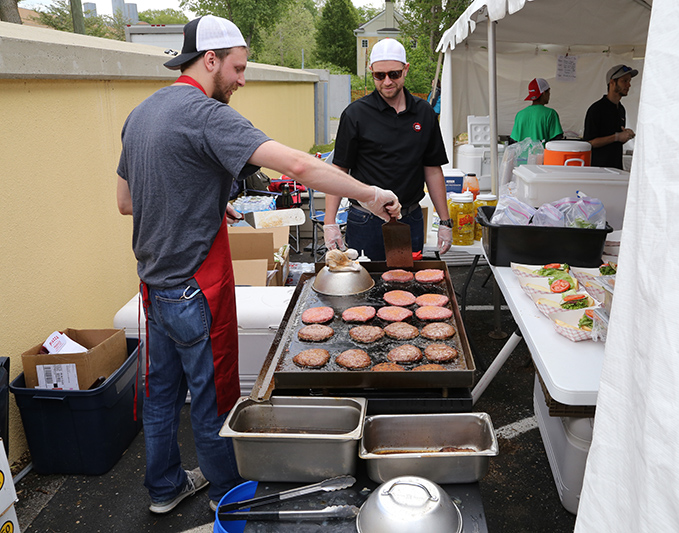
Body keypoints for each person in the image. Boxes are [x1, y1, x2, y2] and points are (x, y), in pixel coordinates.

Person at [116, 15, 400, 515]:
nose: (243, 79)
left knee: (161, 395)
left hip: (153, 287)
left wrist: (203, 202)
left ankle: (163, 489)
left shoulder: (142, 113)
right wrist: (371, 195)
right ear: (210, 60)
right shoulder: (206, 114)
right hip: (194, 290)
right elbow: (296, 165)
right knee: (213, 398)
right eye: (239, 68)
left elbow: (127, 201)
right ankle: (230, 500)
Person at [323, 38, 452, 261]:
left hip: (409, 219)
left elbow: (432, 169)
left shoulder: (424, 113)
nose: (387, 82)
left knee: (408, 287)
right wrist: (329, 223)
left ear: (406, 69)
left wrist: (445, 221)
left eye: (394, 74)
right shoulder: (356, 114)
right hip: (365, 220)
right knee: (364, 288)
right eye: (379, 76)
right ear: (371, 71)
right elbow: (339, 170)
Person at [582, 64, 639, 169]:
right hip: (598, 170)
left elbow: (614, 140)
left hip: (616, 168)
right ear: (612, 83)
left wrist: (625, 136)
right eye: (624, 81)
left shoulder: (621, 109)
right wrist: (617, 136)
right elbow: (589, 143)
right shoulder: (596, 109)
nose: (628, 85)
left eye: (629, 81)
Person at [510, 78, 563, 144]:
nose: (549, 95)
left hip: (522, 154)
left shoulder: (520, 114)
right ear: (543, 93)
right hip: (542, 154)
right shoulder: (551, 114)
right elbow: (556, 141)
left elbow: (514, 140)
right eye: (548, 92)